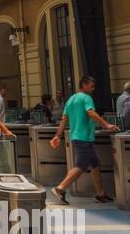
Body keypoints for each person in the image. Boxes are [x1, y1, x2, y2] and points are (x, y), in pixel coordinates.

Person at [49, 75, 119, 205]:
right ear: (84, 85)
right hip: (84, 137)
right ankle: (61, 188)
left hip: (76, 136)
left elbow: (64, 119)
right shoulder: (87, 98)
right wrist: (107, 125)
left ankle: (100, 194)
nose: (93, 89)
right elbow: (91, 113)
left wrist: (57, 136)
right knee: (81, 165)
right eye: (91, 86)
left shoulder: (71, 99)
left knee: (95, 164)